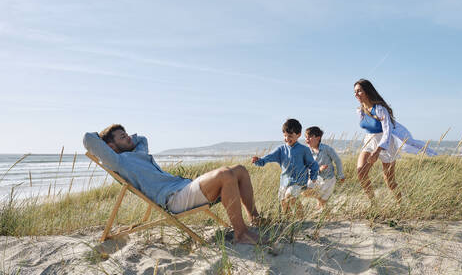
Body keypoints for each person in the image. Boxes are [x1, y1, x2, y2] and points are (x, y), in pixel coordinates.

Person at [83, 124, 261, 245]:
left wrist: (123, 139)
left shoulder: (139, 151)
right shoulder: (118, 161)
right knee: (225, 174)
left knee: (240, 170)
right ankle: (241, 233)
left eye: (127, 134)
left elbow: (142, 139)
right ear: (110, 147)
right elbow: (88, 139)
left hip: (184, 187)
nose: (129, 137)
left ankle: (255, 218)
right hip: (174, 199)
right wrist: (104, 141)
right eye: (123, 137)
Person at [354, 79, 436, 202]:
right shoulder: (360, 110)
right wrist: (372, 147)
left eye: (359, 91)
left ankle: (400, 202)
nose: (356, 95)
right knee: (361, 173)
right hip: (369, 141)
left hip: (386, 142)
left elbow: (387, 132)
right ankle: (373, 204)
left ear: (367, 91)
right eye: (355, 92)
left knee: (389, 179)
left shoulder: (380, 109)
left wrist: (377, 151)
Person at [251, 119, 319, 217]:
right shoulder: (281, 149)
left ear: (298, 135)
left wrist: (313, 179)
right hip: (284, 182)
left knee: (290, 196)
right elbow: (268, 157)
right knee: (283, 203)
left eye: (290, 136)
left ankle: (302, 219)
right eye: (285, 136)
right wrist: (258, 161)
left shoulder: (303, 150)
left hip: (298, 182)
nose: (287, 138)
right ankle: (288, 222)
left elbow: (314, 165)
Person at [302, 126, 345, 209]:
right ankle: (319, 199)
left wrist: (340, 175)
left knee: (322, 204)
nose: (307, 139)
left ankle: (324, 211)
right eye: (306, 137)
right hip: (316, 178)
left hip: (329, 179)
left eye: (310, 137)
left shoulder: (326, 149)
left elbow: (337, 161)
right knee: (304, 192)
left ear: (318, 138)